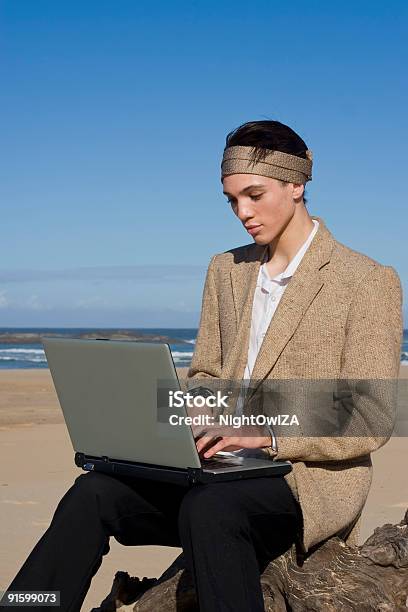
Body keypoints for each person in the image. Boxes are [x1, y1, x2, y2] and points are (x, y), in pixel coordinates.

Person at [1, 120, 403, 612]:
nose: (243, 212)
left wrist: (262, 430)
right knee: (92, 493)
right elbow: (208, 375)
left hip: (305, 481)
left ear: (297, 185)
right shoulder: (224, 269)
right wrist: (194, 415)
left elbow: (371, 413)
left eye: (254, 195)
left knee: (211, 507)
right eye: (232, 200)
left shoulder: (366, 280)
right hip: (215, 465)